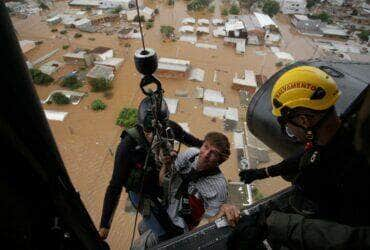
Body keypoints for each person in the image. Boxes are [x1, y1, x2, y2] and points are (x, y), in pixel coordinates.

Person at [229, 66, 370, 249]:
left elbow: (353, 239)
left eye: (285, 122)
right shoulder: (340, 133)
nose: (289, 130)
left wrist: (275, 223)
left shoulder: (353, 171)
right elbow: (307, 155)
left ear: (303, 121)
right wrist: (264, 172)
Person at [99, 97, 203, 242]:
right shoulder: (128, 145)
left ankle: (146, 227)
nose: (154, 136)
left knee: (177, 219)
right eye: (149, 131)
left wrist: (207, 147)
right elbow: (115, 185)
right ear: (141, 126)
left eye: (159, 130)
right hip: (142, 193)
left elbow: (188, 139)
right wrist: (105, 224)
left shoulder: (170, 129)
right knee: (168, 236)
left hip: (163, 185)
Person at [161, 132, 240, 232]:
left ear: (219, 161)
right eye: (206, 147)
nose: (206, 154)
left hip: (179, 227)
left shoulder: (218, 187)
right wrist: (166, 164)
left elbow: (207, 226)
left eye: (214, 153)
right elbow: (163, 182)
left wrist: (221, 212)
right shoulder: (191, 155)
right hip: (166, 210)